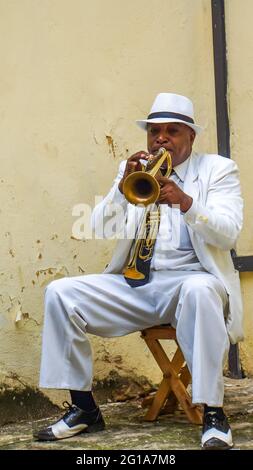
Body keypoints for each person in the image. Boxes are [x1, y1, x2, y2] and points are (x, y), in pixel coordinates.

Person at [34, 93, 243, 449]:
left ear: (190, 137)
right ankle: (84, 410)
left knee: (199, 289)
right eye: (154, 131)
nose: (160, 138)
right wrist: (120, 189)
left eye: (172, 131)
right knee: (60, 292)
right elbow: (100, 228)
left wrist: (186, 202)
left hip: (192, 282)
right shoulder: (133, 171)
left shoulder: (218, 170)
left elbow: (229, 232)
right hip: (137, 282)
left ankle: (213, 413)